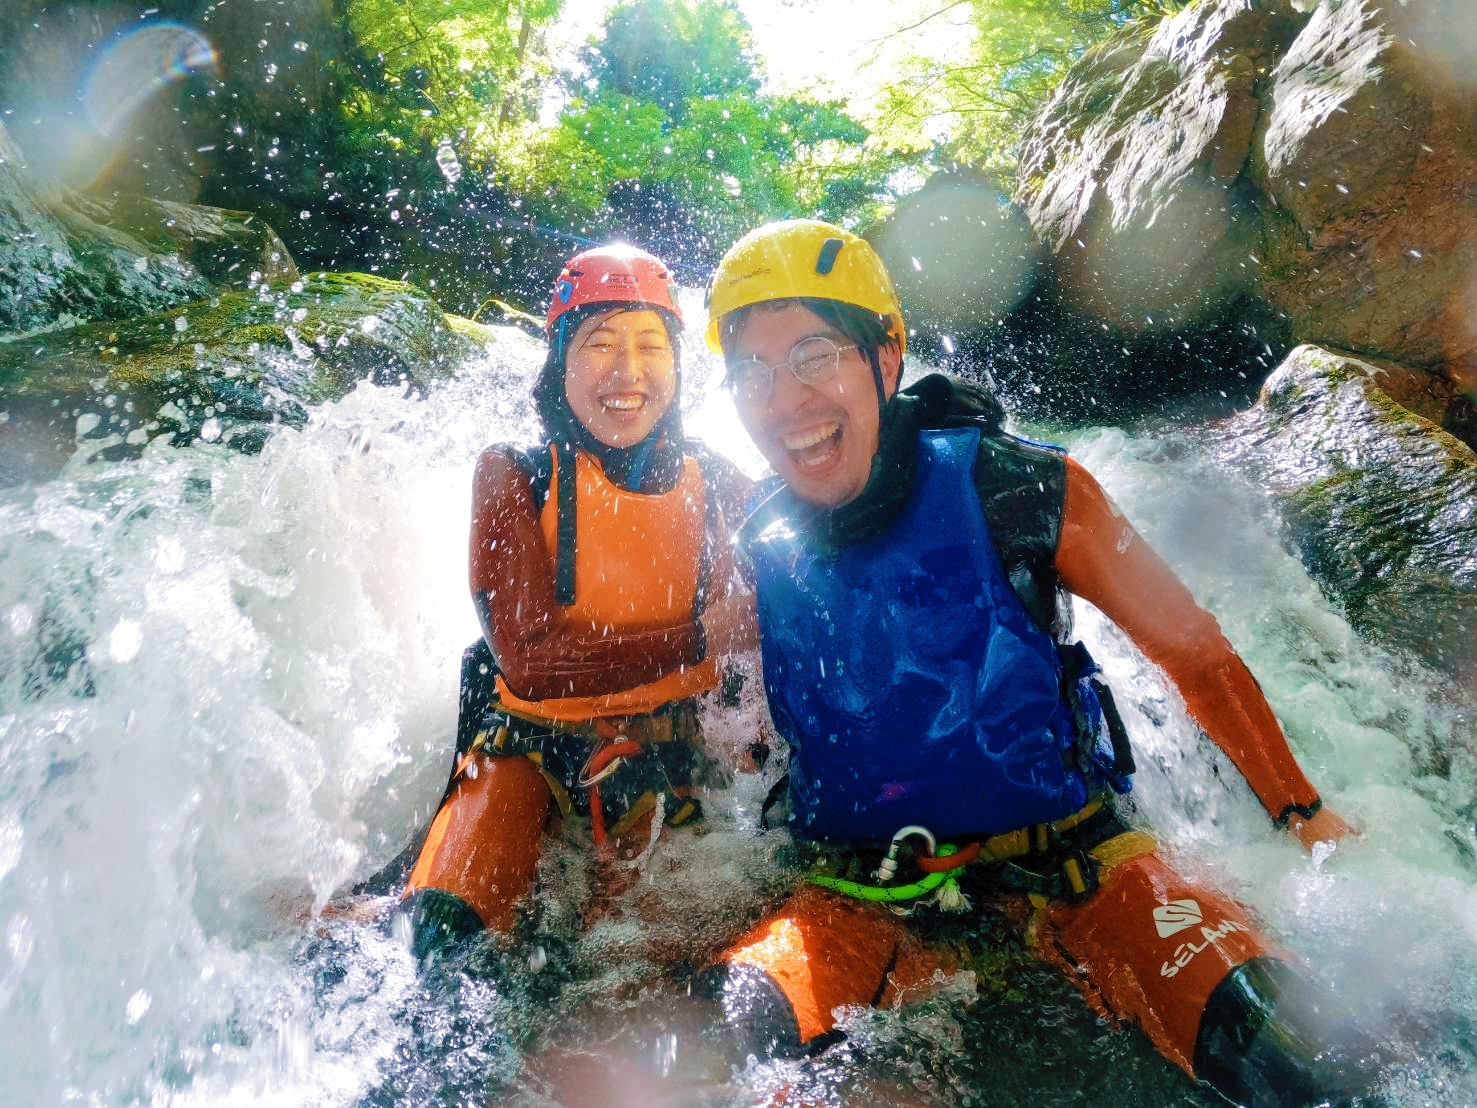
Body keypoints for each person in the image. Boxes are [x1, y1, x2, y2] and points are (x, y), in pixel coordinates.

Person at [695, 219, 1378, 1106]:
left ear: (886, 354)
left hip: (1076, 866)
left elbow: (1193, 650)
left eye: (814, 355)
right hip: (860, 887)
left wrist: (1303, 812)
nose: (783, 400)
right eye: (750, 371)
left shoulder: (1025, 487)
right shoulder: (753, 542)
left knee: (1298, 1066)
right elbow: (718, 711)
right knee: (726, 1046)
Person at [397, 243, 754, 961]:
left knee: (652, 990)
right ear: (560, 362)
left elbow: (804, 591)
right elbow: (530, 665)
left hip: (672, 759)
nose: (627, 373)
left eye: (651, 345)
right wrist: (696, 640)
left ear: (679, 369)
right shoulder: (514, 475)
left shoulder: (719, 480)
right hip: (526, 760)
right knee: (441, 944)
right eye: (600, 344)